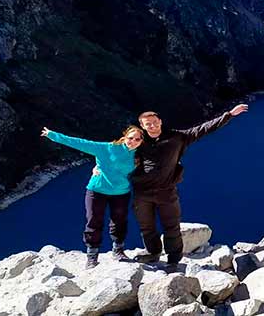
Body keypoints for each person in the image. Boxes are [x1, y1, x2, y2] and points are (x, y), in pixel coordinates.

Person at [131, 104, 249, 270]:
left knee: (171, 227)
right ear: (142, 126)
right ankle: (153, 253)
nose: (152, 126)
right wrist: (99, 167)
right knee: (146, 226)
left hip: (166, 191)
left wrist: (228, 115)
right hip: (142, 193)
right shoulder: (137, 142)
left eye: (154, 122)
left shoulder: (177, 137)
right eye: (147, 124)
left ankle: (173, 260)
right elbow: (115, 154)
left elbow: (203, 129)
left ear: (160, 121)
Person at [41, 125, 144, 268]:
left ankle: (118, 250)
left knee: (119, 221)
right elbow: (79, 143)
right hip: (97, 191)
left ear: (141, 142)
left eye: (137, 139)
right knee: (94, 221)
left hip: (121, 193)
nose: (132, 141)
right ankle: (92, 256)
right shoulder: (106, 148)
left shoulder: (140, 155)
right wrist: (53, 135)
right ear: (124, 137)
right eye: (130, 138)